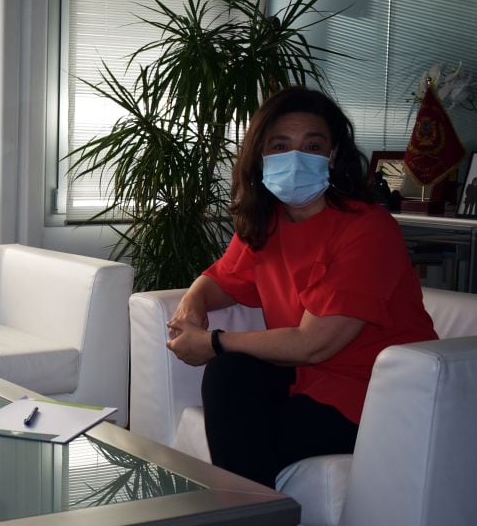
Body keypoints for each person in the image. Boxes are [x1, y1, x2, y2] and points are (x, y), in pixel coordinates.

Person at [165, 86, 437, 488]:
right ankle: (245, 511)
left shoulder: (367, 228)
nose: (295, 157)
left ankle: (243, 513)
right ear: (260, 156)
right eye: (280, 145)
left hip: (372, 393)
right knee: (229, 375)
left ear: (332, 155)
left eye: (312, 145)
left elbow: (314, 343)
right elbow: (224, 278)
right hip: (302, 377)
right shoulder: (267, 220)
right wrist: (193, 301)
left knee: (243, 420)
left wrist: (216, 341)